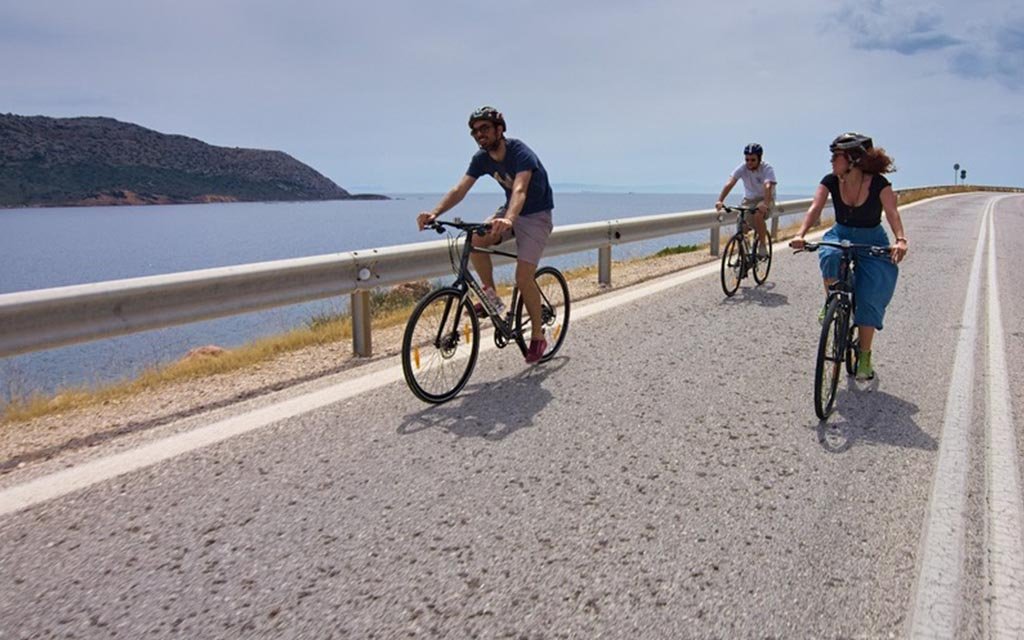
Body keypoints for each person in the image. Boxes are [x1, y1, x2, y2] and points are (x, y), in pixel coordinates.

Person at [416, 106, 555, 364]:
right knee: (477, 239)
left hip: (535, 215)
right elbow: (460, 189)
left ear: (500, 129)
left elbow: (521, 189)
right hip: (509, 212)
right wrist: (434, 213)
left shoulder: (520, 152)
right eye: (475, 131)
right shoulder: (481, 158)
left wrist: (509, 219)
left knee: (523, 278)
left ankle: (538, 336)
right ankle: (490, 294)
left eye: (485, 129)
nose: (479, 134)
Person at [789, 132, 909, 381]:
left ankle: (864, 355)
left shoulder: (879, 184)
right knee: (829, 254)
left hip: (871, 238)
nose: (832, 161)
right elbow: (815, 207)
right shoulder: (831, 180)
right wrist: (801, 234)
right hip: (841, 232)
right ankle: (832, 300)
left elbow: (892, 213)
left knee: (871, 293)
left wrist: (900, 240)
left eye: (836, 156)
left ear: (853, 159)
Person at [715, 143, 777, 253]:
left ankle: (762, 245)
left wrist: (766, 204)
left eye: (753, 160)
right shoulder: (742, 168)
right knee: (741, 221)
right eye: (747, 159)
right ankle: (744, 250)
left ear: (759, 158)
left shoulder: (767, 168)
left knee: (758, 215)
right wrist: (720, 200)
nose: (749, 163)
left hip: (765, 198)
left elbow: (768, 186)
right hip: (749, 199)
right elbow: (730, 183)